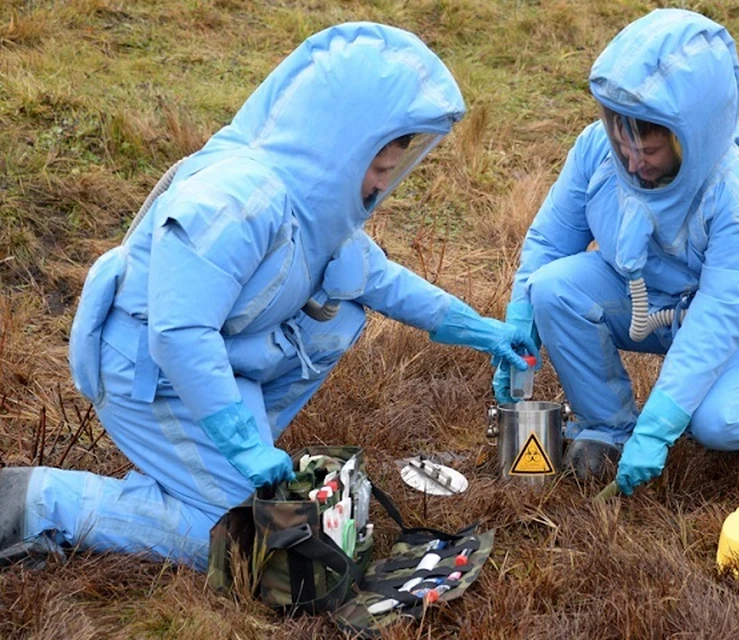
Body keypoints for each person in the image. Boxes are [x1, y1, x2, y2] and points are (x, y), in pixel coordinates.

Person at [0, 22, 536, 570]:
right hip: (145, 372)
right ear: (341, 148)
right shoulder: (235, 202)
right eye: (376, 169)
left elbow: (386, 284)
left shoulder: (316, 212)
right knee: (230, 537)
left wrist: (485, 332)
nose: (379, 186)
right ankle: (41, 500)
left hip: (218, 369)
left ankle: (195, 468)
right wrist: (240, 444)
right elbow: (178, 333)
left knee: (345, 303)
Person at [492, 9, 739, 495]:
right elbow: (551, 243)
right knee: (552, 289)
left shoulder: (737, 197)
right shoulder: (597, 148)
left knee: (720, 426)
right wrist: (517, 327)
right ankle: (609, 429)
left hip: (722, 322)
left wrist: (659, 428)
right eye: (625, 145)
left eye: (651, 152)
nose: (635, 164)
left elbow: (716, 321)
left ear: (690, 139)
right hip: (640, 302)